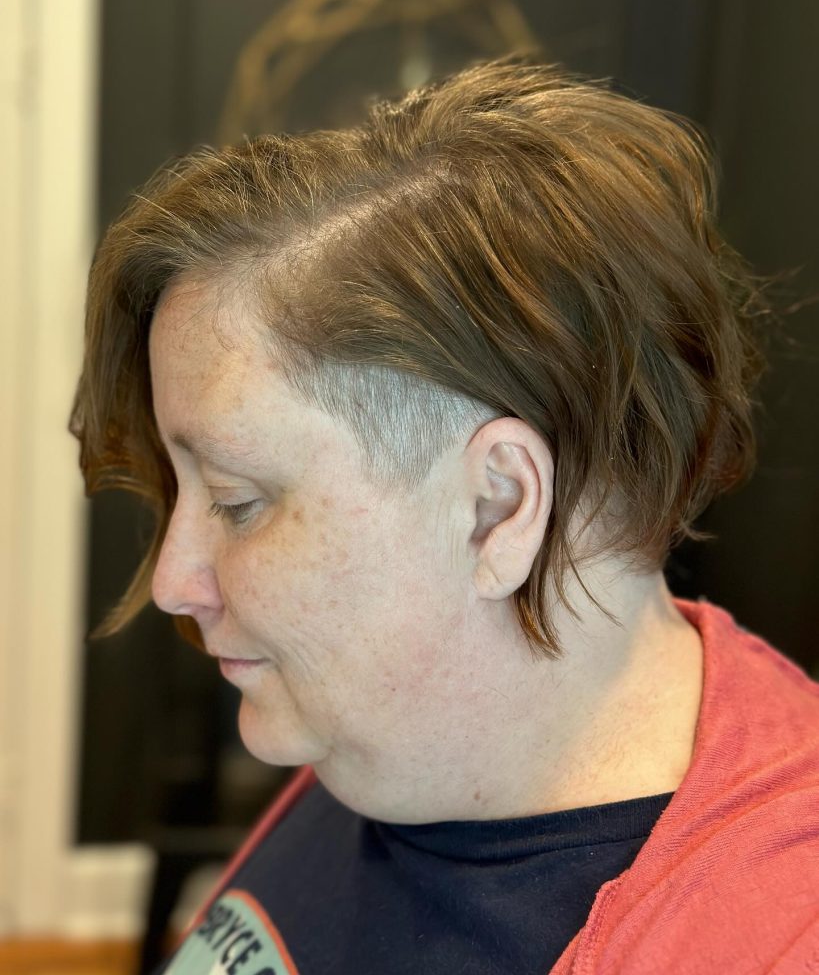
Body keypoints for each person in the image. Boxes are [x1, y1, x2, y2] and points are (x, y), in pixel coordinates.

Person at [71, 57, 819, 974]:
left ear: (498, 506)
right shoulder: (390, 732)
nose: (173, 582)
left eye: (237, 501)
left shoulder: (767, 937)